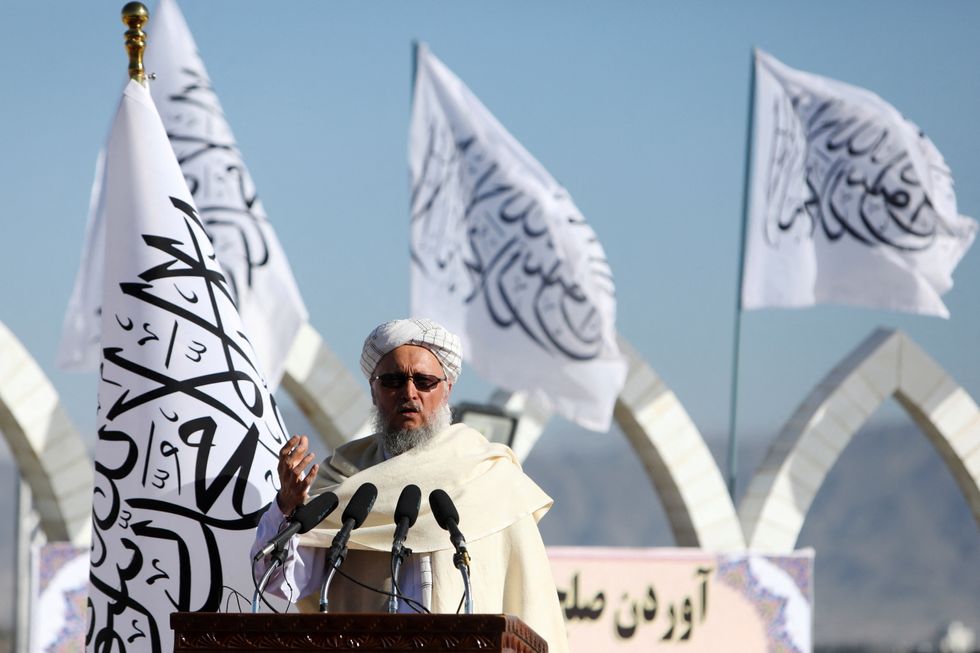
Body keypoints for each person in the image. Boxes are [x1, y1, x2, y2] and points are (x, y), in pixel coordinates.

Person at [251, 317, 569, 652]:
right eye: (392, 381)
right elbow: (278, 581)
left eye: (424, 381)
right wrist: (287, 507)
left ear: (447, 390)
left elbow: (531, 604)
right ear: (373, 391)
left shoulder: (491, 479)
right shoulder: (343, 481)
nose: (409, 393)